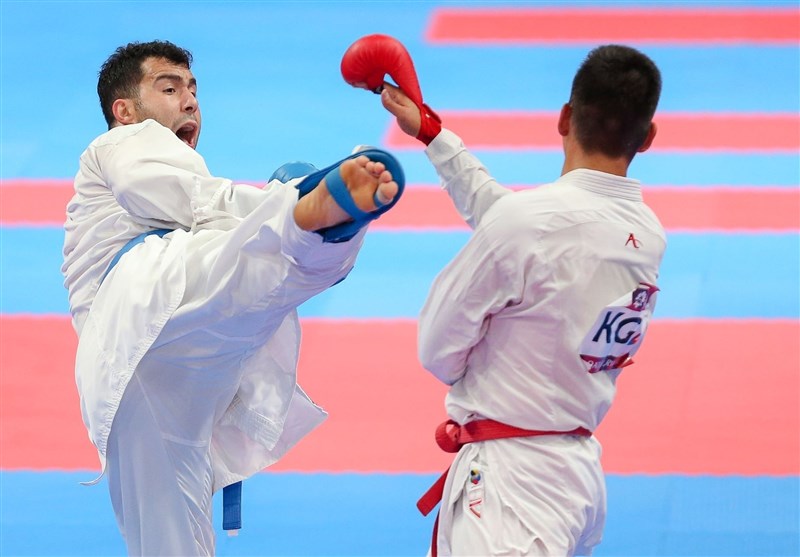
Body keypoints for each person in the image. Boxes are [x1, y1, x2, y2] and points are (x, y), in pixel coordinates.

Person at [61, 40, 402, 556]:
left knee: (171, 542)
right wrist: (281, 200)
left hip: (149, 381)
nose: (189, 101)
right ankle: (311, 221)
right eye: (169, 88)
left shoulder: (180, 195)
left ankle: (319, 226)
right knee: (249, 265)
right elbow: (180, 194)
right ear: (124, 111)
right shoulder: (118, 144)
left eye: (193, 90)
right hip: (139, 299)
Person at [375, 43, 666, 555]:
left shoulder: (528, 225)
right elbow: (521, 226)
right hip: (577, 478)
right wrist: (434, 136)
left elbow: (436, 347)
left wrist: (477, 374)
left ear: (564, 118)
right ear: (648, 137)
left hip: (511, 489)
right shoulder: (646, 234)